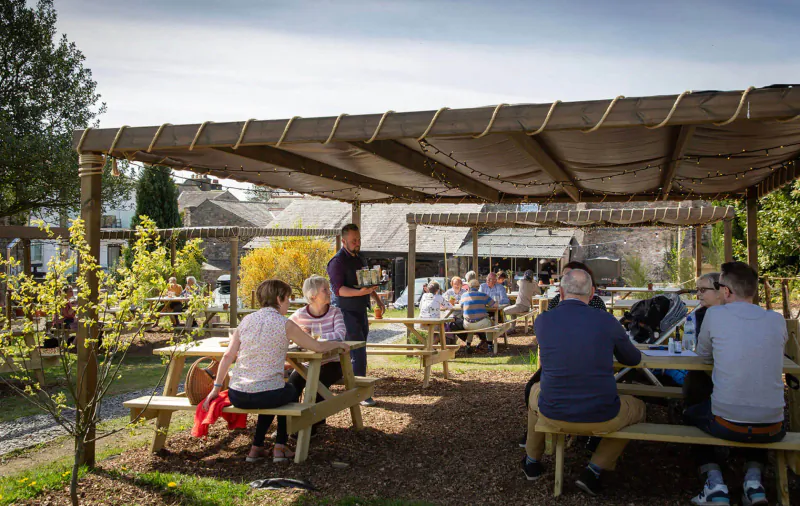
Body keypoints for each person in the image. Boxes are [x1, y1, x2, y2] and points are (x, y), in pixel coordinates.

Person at [523, 269, 645, 496]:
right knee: (639, 408)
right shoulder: (606, 320)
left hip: (553, 412)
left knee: (535, 393)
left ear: (559, 292)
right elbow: (633, 359)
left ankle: (531, 460)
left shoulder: (543, 321)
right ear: (592, 294)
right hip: (602, 415)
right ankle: (594, 470)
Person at [202, 279, 349, 463]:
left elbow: (228, 356)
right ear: (279, 299)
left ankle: (256, 448)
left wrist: (216, 388)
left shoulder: (246, 320)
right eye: (287, 299)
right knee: (287, 391)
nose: (289, 303)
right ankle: (280, 447)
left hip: (237, 393)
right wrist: (338, 344)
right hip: (266, 393)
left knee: (274, 390)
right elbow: (317, 347)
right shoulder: (285, 324)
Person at [685, 262, 787, 506]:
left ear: (726, 291)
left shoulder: (715, 314)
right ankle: (753, 482)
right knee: (758, 404)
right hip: (774, 426)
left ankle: (714, 482)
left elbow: (703, 356)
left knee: (691, 412)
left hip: (726, 423)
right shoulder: (776, 319)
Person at [327, 223, 385, 407]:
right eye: (353, 240)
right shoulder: (336, 262)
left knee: (361, 349)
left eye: (358, 239)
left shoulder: (361, 258)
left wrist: (377, 298)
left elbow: (368, 282)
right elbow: (338, 290)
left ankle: (357, 389)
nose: (357, 243)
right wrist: (360, 293)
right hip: (344, 311)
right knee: (357, 352)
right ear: (343, 241)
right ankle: (360, 393)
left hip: (360, 308)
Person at [287, 275, 347, 435]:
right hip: (306, 364)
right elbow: (284, 332)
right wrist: (298, 335)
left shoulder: (335, 312)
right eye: (325, 290)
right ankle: (289, 425)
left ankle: (310, 427)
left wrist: (315, 337)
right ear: (312, 295)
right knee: (291, 387)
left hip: (332, 364)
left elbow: (341, 334)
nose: (330, 292)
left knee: (316, 386)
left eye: (329, 289)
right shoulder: (299, 315)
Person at [681, 272, 722, 406]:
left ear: (719, 291)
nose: (698, 294)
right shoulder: (697, 315)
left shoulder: (729, 316)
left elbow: (703, 355)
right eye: (697, 290)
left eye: (703, 290)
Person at [460, 278, 497, 353]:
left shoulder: (464, 296)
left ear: (469, 287)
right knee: (490, 324)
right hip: (481, 323)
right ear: (478, 287)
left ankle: (468, 345)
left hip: (467, 324)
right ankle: (490, 345)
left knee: (471, 326)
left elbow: (461, 306)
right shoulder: (483, 295)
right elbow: (495, 305)